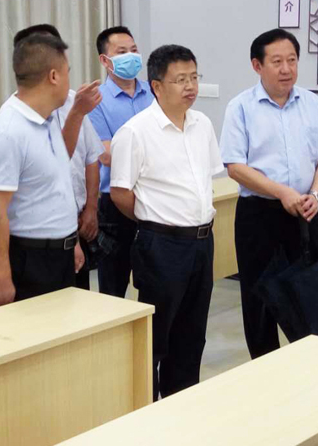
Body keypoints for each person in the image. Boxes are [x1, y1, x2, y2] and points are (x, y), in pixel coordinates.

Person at [110, 44, 223, 400]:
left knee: (192, 335)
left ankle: (182, 406)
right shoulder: (135, 132)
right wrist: (155, 220)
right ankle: (149, 410)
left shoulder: (202, 124)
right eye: (180, 80)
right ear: (157, 86)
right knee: (157, 336)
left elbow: (205, 179)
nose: (190, 86)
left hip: (202, 243)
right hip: (162, 245)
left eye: (194, 77)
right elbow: (120, 193)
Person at [220, 29, 318, 360]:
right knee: (260, 303)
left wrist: (316, 194)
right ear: (257, 66)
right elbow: (235, 166)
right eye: (277, 62)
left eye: (292, 60)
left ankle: (311, 365)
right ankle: (266, 370)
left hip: (306, 211)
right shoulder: (240, 107)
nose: (286, 69)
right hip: (259, 216)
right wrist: (281, 192)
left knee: (312, 297)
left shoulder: (311, 103)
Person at [0, 31, 100, 306]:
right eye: (67, 72)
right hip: (31, 259)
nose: (69, 80)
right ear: (54, 76)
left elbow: (58, 162)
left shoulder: (45, 119)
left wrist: (71, 240)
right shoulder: (8, 132)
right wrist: (2, 277)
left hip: (60, 252)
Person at [11, 25, 104, 290]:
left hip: (71, 227)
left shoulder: (72, 102)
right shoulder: (15, 123)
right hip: (38, 242)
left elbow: (90, 157)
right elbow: (52, 173)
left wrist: (91, 208)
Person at [88, 26, 154, 297]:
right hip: (115, 201)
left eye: (134, 50)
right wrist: (155, 158)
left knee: (154, 281)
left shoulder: (155, 92)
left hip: (154, 195)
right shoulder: (96, 101)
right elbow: (105, 154)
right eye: (122, 52)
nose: (131, 56)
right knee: (113, 286)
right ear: (105, 60)